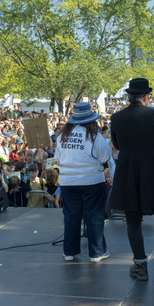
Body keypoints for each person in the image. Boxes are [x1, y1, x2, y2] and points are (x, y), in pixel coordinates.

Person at [109, 78, 154, 281]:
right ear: (146, 96)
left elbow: (117, 144)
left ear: (129, 96)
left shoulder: (117, 117)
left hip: (129, 170)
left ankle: (140, 265)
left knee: (133, 218)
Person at [55, 102, 113, 264]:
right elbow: (105, 158)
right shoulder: (94, 137)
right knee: (94, 216)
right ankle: (97, 252)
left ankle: (69, 251)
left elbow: (58, 159)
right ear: (91, 120)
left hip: (67, 183)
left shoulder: (61, 137)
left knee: (71, 217)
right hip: (92, 182)